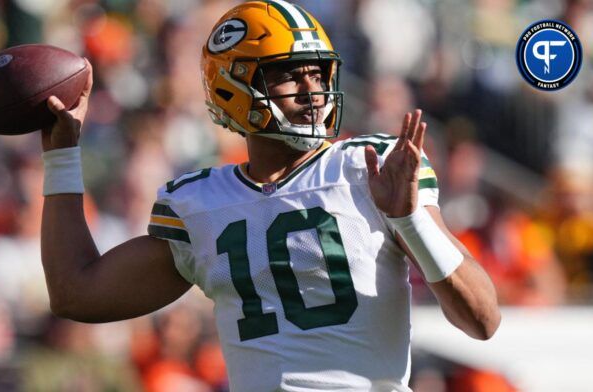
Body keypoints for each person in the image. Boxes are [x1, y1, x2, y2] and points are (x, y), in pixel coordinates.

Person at [39, 1, 500, 391]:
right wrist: (62, 153)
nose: (312, 92)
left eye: (318, 75)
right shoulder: (200, 204)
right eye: (289, 76)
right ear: (233, 86)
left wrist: (410, 218)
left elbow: (482, 320)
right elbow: (77, 295)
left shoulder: (370, 169)